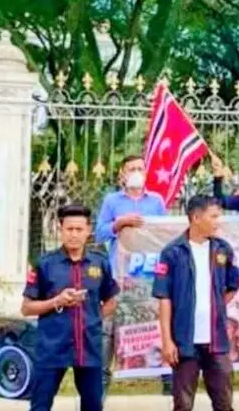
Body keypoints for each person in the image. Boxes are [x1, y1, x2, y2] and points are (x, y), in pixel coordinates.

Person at [22, 204, 119, 411]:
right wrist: (56, 302)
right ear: (60, 229)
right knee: (40, 405)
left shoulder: (99, 263)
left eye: (79, 229)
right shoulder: (45, 264)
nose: (74, 235)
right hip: (52, 347)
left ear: (88, 230)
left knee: (93, 405)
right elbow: (27, 308)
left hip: (89, 347)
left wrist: (93, 319)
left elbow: (111, 300)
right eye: (69, 229)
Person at [152, 195, 239, 411]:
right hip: (185, 342)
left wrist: (216, 307)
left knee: (224, 402)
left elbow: (233, 285)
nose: (217, 221)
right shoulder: (172, 252)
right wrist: (167, 341)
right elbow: (164, 298)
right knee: (183, 404)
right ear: (196, 217)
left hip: (217, 341)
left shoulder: (223, 250)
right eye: (213, 216)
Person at [95, 154, 167, 399]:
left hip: (148, 275)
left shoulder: (156, 201)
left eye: (140, 168)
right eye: (131, 168)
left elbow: (165, 234)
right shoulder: (112, 201)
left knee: (159, 325)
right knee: (109, 329)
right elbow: (98, 234)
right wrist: (119, 224)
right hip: (119, 275)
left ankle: (168, 382)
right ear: (122, 174)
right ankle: (101, 385)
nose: (136, 171)